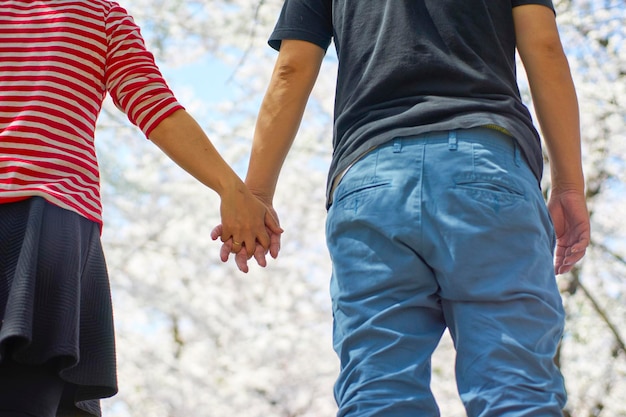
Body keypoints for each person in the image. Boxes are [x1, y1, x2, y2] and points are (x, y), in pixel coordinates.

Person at [213, 0, 591, 416]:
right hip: (484, 167)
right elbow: (544, 46)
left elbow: (292, 70)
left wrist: (258, 194)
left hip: (370, 182)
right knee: (514, 387)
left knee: (379, 390)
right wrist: (569, 185)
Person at [0, 1, 281, 416]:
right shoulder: (99, 14)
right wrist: (231, 190)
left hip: (48, 225)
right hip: (49, 225)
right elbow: (155, 106)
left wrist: (234, 191)